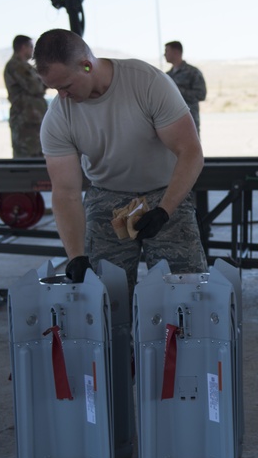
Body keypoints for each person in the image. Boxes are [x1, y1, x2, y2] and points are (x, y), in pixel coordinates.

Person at [34, 29, 207, 297]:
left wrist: (164, 210)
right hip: (107, 198)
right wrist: (76, 256)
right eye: (55, 89)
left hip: (166, 194)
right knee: (103, 298)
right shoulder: (58, 117)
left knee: (186, 293)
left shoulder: (147, 83)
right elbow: (65, 192)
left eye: (66, 86)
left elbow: (191, 152)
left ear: (87, 65)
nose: (62, 96)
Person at [3, 35, 48, 157]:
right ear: (23, 47)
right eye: (31, 46)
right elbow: (36, 87)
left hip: (33, 120)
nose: (32, 50)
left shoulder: (26, 66)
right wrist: (43, 81)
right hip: (25, 121)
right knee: (26, 159)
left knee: (38, 155)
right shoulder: (16, 65)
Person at [164, 40, 206, 134]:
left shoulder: (193, 72)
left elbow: (201, 94)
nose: (164, 54)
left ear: (176, 52)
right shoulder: (167, 75)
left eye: (167, 51)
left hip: (189, 121)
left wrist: (177, 91)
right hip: (170, 122)